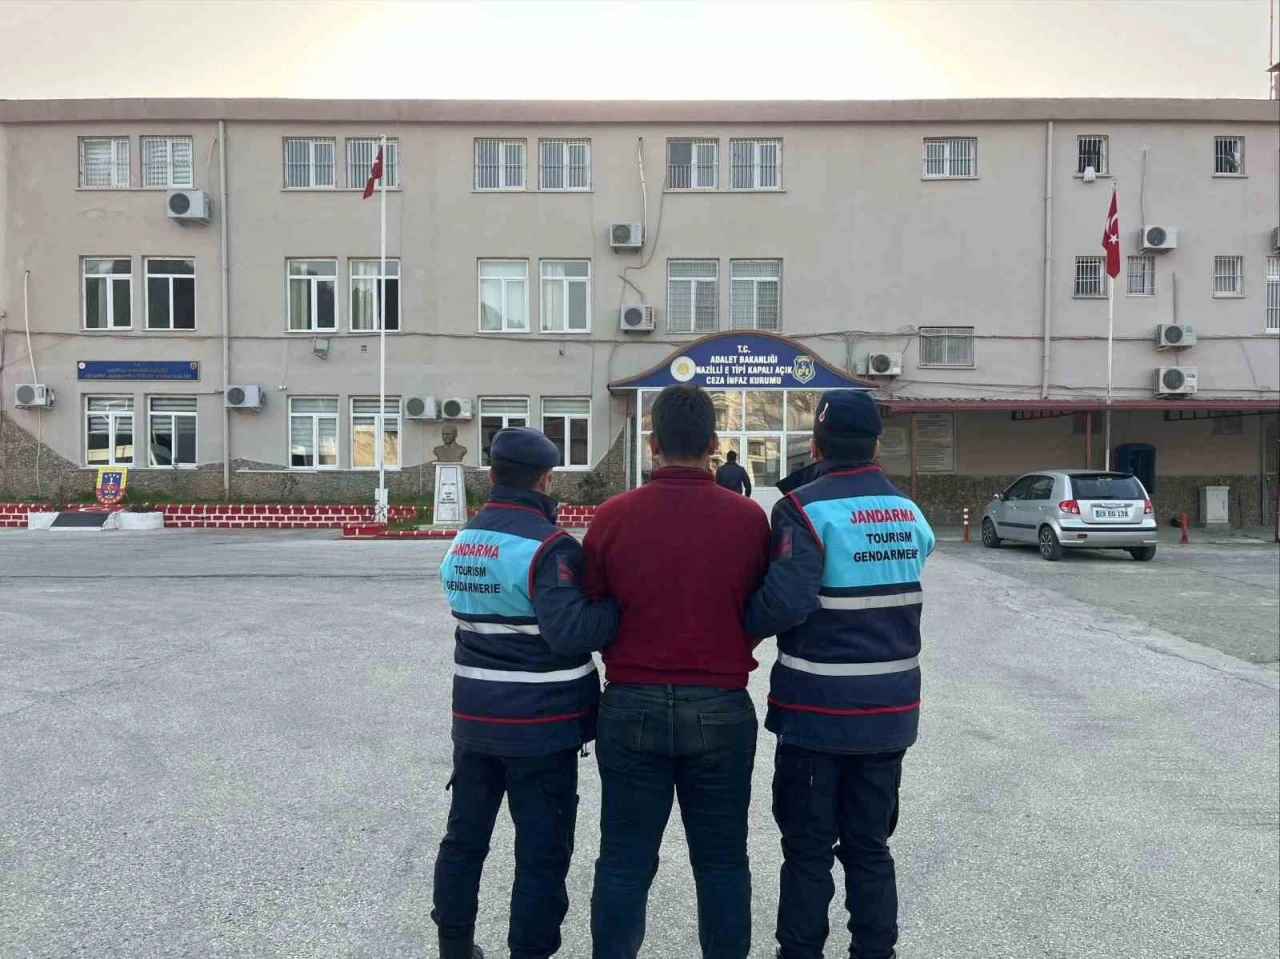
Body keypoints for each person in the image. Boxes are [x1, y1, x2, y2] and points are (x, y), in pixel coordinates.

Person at [583, 383, 772, 959]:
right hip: (720, 704)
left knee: (623, 859)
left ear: (652, 443)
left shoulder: (613, 516)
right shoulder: (748, 519)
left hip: (631, 703)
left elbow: (594, 606)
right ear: (714, 444)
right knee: (722, 861)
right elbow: (760, 602)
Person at [745, 390, 935, 959]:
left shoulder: (803, 509)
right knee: (870, 846)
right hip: (889, 714)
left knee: (807, 850)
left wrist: (733, 627)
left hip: (817, 713)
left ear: (815, 445)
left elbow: (784, 603)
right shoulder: (909, 512)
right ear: (876, 445)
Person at [433, 427, 620, 959]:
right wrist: (614, 609)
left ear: (492, 475)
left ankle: (454, 945)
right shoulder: (550, 546)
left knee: (465, 840)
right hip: (541, 726)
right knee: (541, 850)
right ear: (545, 480)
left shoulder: (464, 539)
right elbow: (571, 632)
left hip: (474, 721)